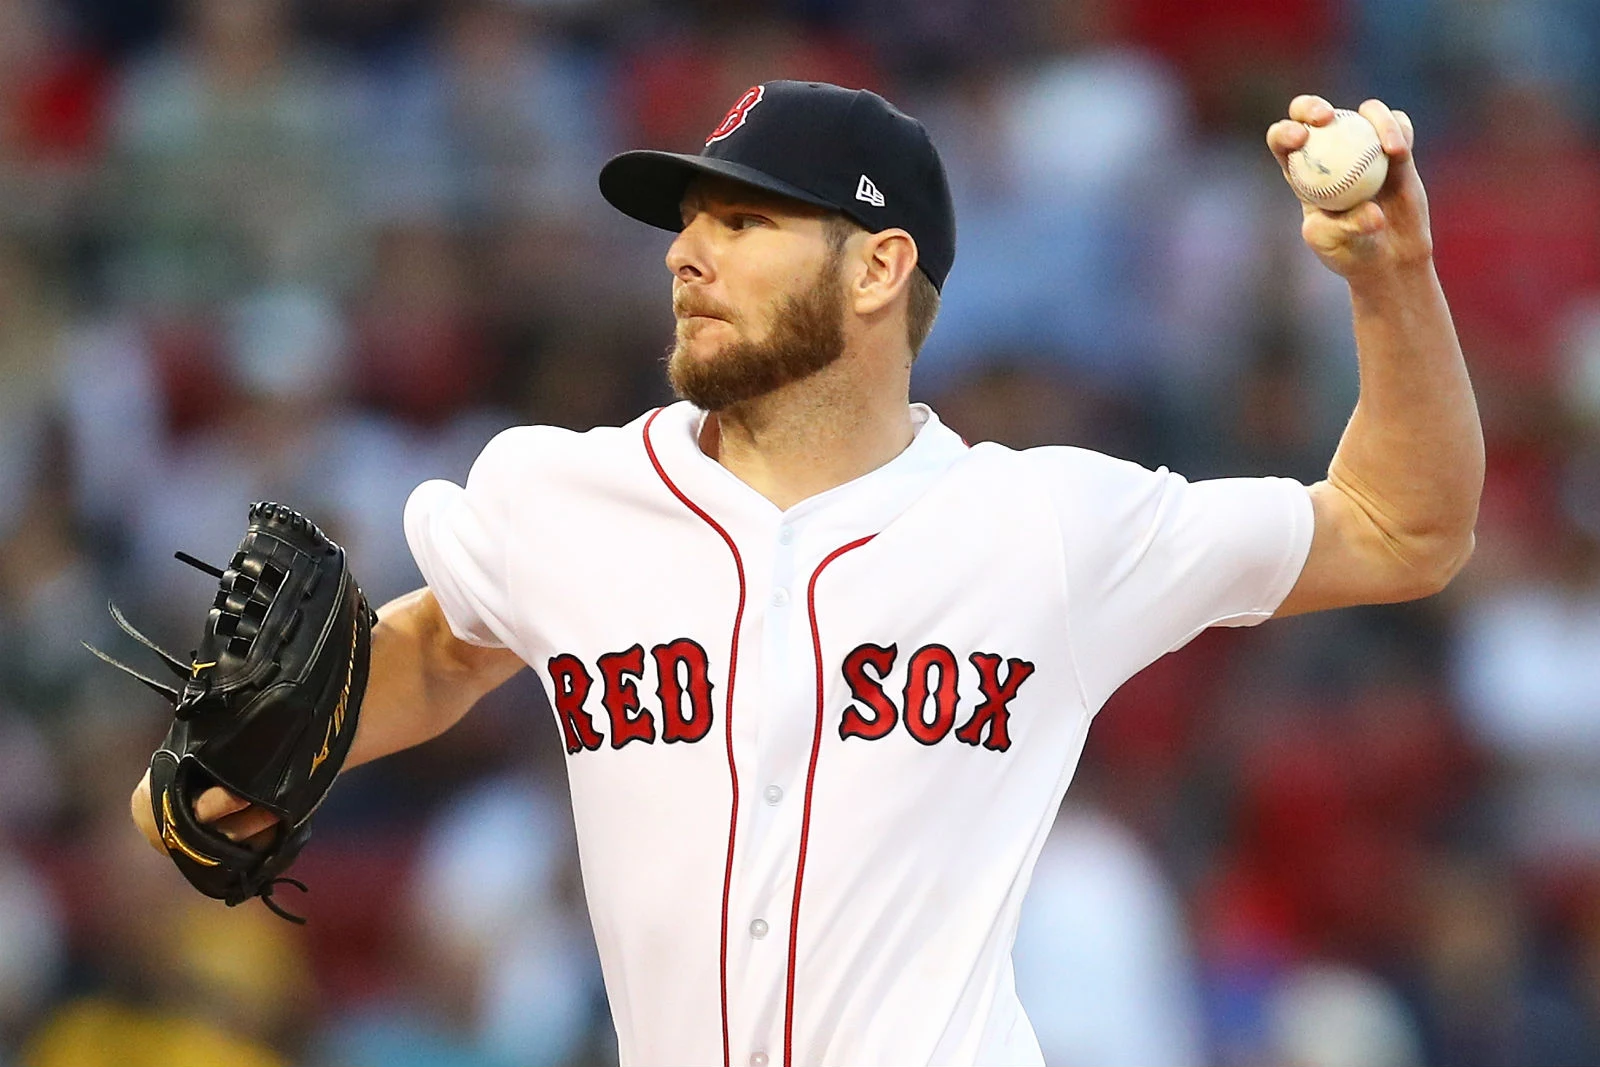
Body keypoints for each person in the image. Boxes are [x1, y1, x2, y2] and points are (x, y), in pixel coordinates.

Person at [132, 80, 1482, 1066]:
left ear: (880, 266)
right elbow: (439, 647)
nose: (687, 253)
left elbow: (1400, 525)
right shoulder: (562, 496)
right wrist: (206, 777)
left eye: (744, 220)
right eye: (688, 221)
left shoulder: (1044, 523)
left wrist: (1392, 277)